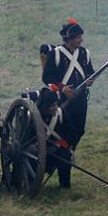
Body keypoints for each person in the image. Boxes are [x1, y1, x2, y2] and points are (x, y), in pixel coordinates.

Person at [41, 17, 95, 187]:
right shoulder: (56, 53)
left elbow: (91, 72)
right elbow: (47, 77)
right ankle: (62, 171)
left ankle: (65, 160)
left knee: (78, 131)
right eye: (78, 37)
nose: (81, 40)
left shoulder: (85, 53)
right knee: (64, 136)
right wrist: (63, 88)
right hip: (61, 102)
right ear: (70, 38)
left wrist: (89, 80)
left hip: (80, 101)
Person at [35, 86, 81, 188]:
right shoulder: (35, 117)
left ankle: (64, 185)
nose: (55, 107)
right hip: (37, 152)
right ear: (44, 106)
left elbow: (73, 134)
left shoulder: (60, 114)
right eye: (52, 105)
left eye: (56, 104)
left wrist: (64, 145)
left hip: (56, 150)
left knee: (65, 155)